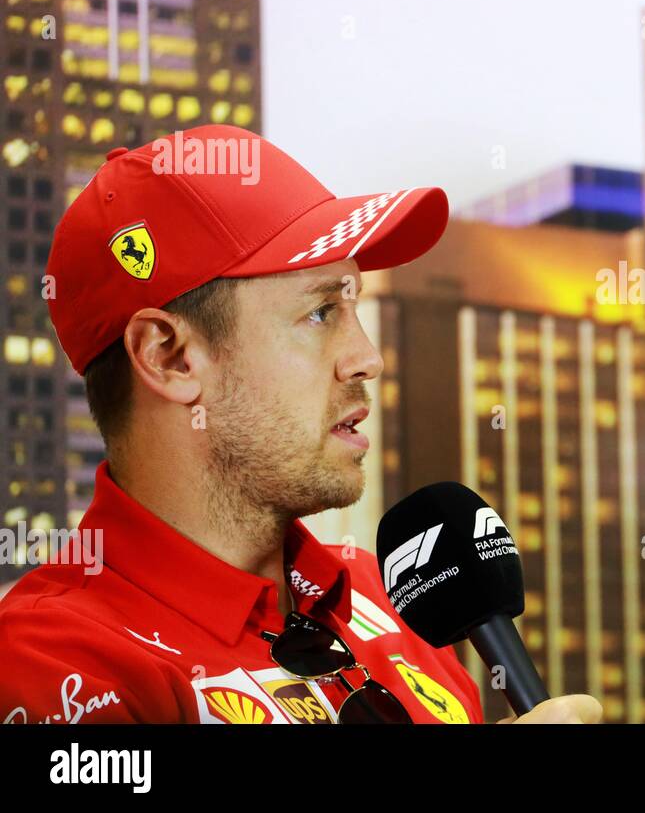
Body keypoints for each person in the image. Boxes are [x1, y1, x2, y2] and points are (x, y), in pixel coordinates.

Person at [0, 125, 601, 725]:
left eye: (353, 306)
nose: (367, 357)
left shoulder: (392, 598)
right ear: (169, 356)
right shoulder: (51, 662)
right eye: (320, 312)